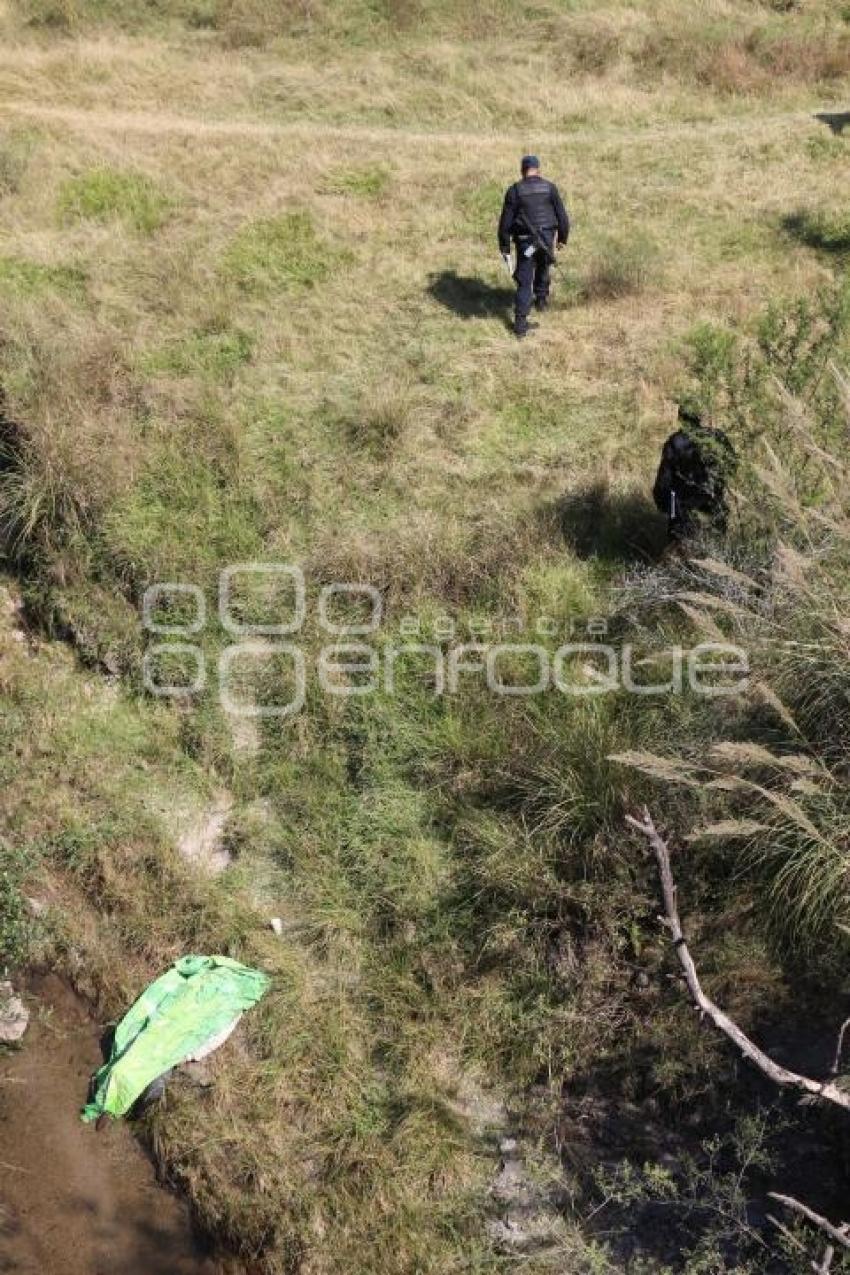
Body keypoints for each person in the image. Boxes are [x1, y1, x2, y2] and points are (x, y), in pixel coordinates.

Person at [497, 155, 570, 339]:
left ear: (522, 170)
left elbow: (505, 223)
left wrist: (505, 246)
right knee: (544, 265)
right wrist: (562, 238)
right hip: (546, 238)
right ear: (538, 170)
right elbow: (562, 216)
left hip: (525, 241)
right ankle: (542, 301)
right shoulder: (550, 188)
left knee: (524, 279)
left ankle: (520, 324)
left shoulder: (515, 191)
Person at [652, 405, 736, 540]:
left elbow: (665, 479)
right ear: (699, 418)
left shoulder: (675, 442)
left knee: (680, 544)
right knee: (715, 541)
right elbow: (732, 466)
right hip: (712, 500)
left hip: (682, 506)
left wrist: (662, 502)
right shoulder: (717, 437)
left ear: (680, 418)